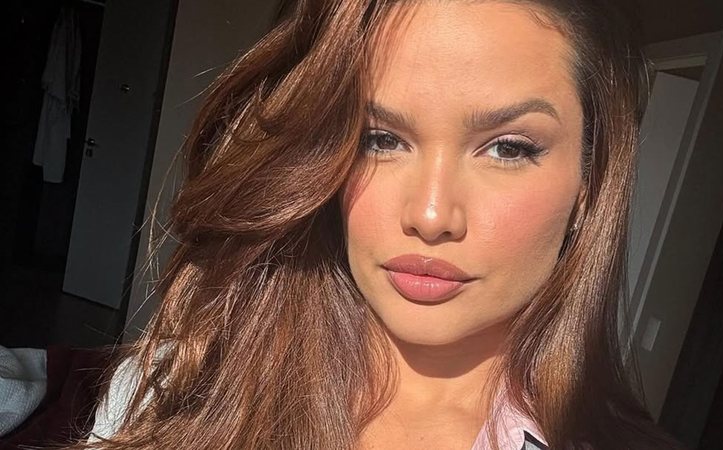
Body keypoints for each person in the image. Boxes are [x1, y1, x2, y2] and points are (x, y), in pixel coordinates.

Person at [81, 0, 682, 449]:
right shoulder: (169, 391)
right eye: (380, 139)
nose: (430, 216)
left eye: (508, 148)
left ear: (588, 182)